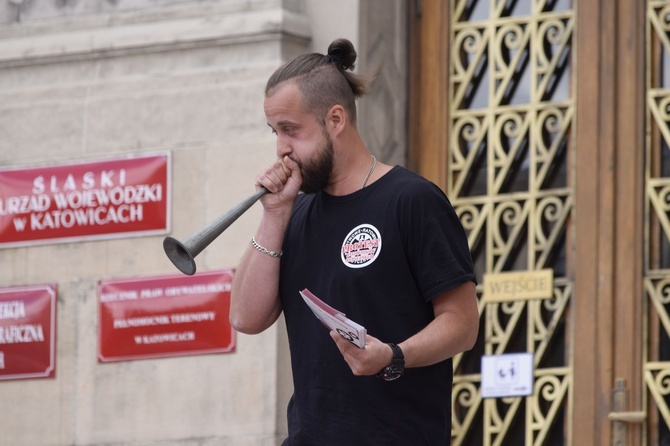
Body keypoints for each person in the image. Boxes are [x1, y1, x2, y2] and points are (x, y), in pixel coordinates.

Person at [230, 38, 479, 445]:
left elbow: (462, 324)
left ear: (336, 120)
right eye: (275, 132)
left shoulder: (412, 200)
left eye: (291, 130)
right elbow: (245, 318)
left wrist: (393, 356)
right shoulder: (293, 214)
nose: (281, 149)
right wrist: (274, 215)